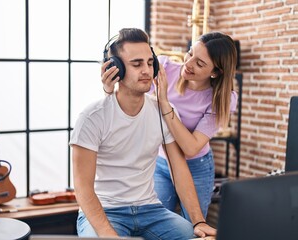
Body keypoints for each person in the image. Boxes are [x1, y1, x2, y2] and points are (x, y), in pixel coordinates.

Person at [70, 28, 216, 239]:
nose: (147, 70)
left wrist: (198, 220)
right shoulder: (92, 117)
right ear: (115, 69)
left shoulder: (162, 112)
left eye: (150, 63)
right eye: (137, 64)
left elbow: (179, 169)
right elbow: (82, 188)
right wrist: (107, 233)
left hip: (151, 210)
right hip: (107, 211)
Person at [102, 31, 238, 221]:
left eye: (199, 63)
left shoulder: (222, 99)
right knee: (153, 221)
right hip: (161, 162)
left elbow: (190, 147)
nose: (188, 64)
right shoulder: (165, 68)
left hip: (196, 166)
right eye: (190, 53)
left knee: (193, 226)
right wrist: (110, 89)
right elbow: (130, 94)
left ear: (215, 72)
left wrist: (165, 104)